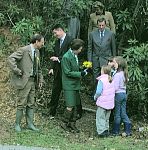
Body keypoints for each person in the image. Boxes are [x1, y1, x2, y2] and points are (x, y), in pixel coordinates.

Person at [8, 34, 44, 132]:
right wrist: (17, 70)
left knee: (31, 103)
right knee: (21, 103)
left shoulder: (37, 52)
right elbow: (11, 58)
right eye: (42, 42)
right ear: (36, 41)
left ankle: (30, 124)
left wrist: (40, 79)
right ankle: (17, 125)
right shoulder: (24, 50)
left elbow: (38, 67)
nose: (42, 44)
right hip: (24, 81)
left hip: (33, 81)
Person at [61, 39, 87, 133]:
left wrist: (82, 69)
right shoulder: (66, 57)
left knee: (75, 105)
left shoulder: (75, 55)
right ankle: (64, 122)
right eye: (80, 49)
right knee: (70, 105)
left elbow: (74, 68)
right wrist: (80, 74)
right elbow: (67, 72)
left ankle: (72, 124)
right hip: (69, 85)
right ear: (75, 48)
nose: (81, 50)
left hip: (75, 84)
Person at [47, 24, 73, 118]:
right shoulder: (57, 42)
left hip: (67, 72)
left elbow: (71, 56)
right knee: (55, 91)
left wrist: (58, 58)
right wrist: (51, 68)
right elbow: (54, 55)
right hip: (58, 71)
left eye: (55, 33)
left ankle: (73, 114)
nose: (55, 35)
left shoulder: (70, 40)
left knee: (69, 92)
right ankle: (52, 112)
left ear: (60, 30)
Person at [87, 17, 116, 94]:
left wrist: (114, 61)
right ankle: (95, 95)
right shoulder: (92, 34)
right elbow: (90, 48)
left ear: (105, 25)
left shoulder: (110, 34)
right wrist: (89, 61)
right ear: (97, 25)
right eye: (99, 25)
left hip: (106, 59)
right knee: (95, 78)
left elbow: (113, 48)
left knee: (106, 77)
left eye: (102, 25)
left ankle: (105, 94)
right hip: (95, 59)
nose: (101, 27)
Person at [112, 56, 131, 136]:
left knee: (117, 113)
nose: (113, 64)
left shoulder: (117, 75)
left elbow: (115, 88)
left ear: (118, 64)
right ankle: (128, 131)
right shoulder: (124, 73)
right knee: (123, 113)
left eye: (114, 62)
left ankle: (115, 131)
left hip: (118, 95)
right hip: (124, 94)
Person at [94, 65, 115, 137]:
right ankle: (106, 130)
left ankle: (101, 132)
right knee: (106, 118)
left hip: (102, 103)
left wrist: (95, 97)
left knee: (100, 117)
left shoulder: (101, 80)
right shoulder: (111, 79)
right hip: (110, 103)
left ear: (102, 71)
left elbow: (98, 92)